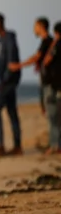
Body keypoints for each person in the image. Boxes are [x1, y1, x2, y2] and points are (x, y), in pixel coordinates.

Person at [8, 17, 54, 154]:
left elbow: (37, 57)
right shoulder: (47, 42)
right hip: (46, 80)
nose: (34, 29)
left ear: (41, 26)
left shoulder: (47, 41)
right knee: (49, 112)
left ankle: (55, 145)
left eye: (35, 26)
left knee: (52, 113)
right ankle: (54, 143)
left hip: (49, 82)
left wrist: (19, 66)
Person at [0, 13, 22, 156]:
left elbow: (12, 61)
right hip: (4, 80)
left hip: (8, 81)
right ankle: (17, 146)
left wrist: (5, 80)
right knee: (12, 112)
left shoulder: (9, 39)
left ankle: (0, 145)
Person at [42, 22, 61, 154]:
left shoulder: (57, 45)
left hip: (55, 85)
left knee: (54, 116)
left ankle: (55, 145)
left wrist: (53, 44)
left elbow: (47, 60)